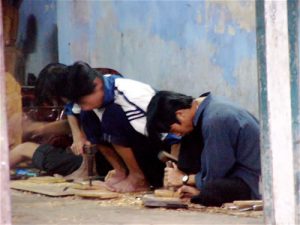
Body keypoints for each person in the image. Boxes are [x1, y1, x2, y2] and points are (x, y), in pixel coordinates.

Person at [35, 62, 164, 192]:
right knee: (88, 115)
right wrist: (78, 134)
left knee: (111, 114)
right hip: (140, 151)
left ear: (97, 84)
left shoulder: (130, 94)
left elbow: (170, 134)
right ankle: (120, 171)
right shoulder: (92, 94)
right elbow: (74, 111)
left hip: (159, 156)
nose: (82, 107)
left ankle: (138, 178)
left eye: (83, 102)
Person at [146, 91, 261, 206]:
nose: (177, 135)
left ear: (180, 114)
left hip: (254, 182)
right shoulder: (209, 107)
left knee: (212, 191)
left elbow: (215, 176)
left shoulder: (214, 120)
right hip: (240, 172)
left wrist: (184, 179)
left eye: (173, 130)